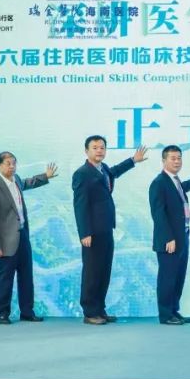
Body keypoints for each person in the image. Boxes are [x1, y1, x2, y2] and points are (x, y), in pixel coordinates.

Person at [71, 136, 148, 325]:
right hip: (92, 232)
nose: (99, 150)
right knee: (92, 272)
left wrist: (133, 160)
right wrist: (84, 233)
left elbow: (114, 172)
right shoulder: (82, 173)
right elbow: (80, 205)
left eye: (102, 147)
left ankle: (100, 309)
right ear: (86, 151)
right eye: (95, 147)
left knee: (104, 270)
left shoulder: (103, 168)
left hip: (106, 228)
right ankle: (90, 312)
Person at [0, 152, 57, 324]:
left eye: (14, 163)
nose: (12, 166)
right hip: (5, 241)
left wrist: (45, 176)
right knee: (5, 278)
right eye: (8, 163)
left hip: (22, 236)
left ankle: (27, 312)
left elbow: (28, 183)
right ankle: (1, 313)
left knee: (26, 276)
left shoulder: (16, 179)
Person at [149, 145, 190, 325]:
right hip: (170, 240)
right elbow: (158, 213)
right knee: (167, 277)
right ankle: (166, 315)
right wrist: (168, 238)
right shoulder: (159, 182)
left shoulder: (174, 181)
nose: (177, 161)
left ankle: (174, 311)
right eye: (173, 158)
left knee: (178, 276)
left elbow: (180, 191)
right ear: (164, 160)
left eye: (179, 158)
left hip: (182, 236)